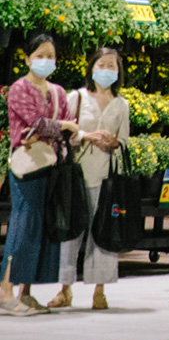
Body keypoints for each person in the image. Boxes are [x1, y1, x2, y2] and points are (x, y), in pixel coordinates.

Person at [2, 34, 80, 315]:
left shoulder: (58, 91)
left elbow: (54, 126)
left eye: (51, 56)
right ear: (27, 59)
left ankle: (27, 291)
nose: (46, 61)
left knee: (41, 231)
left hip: (51, 166)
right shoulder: (19, 88)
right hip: (27, 169)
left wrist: (49, 129)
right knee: (23, 228)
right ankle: (5, 290)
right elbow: (38, 123)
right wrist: (62, 126)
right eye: (40, 55)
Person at [51, 47, 131, 310]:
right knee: (71, 232)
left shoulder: (122, 104)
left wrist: (113, 142)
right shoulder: (78, 97)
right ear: (91, 68)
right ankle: (65, 288)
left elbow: (124, 140)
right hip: (77, 173)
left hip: (105, 176)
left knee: (103, 233)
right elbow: (65, 132)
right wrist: (87, 135)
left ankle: (100, 289)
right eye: (102, 65)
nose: (107, 70)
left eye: (112, 66)